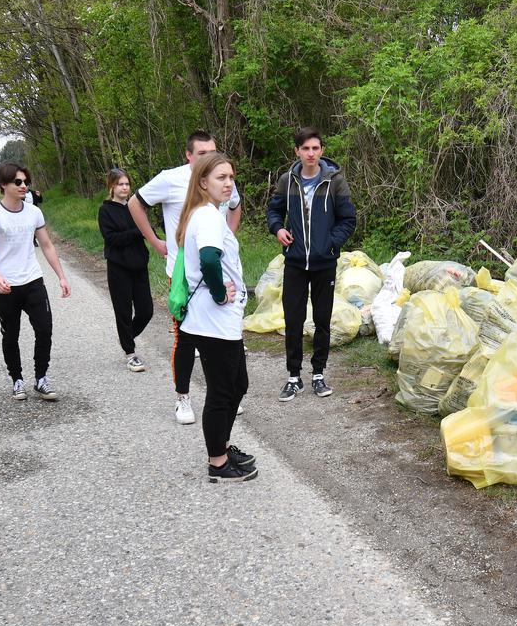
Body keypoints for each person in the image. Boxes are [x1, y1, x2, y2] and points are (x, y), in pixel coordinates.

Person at [130, 131, 242, 424]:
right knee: (186, 339)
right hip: (183, 276)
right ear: (189, 155)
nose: (209, 157)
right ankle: (183, 399)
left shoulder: (221, 179)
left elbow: (234, 206)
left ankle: (220, 392)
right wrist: (156, 242)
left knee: (215, 341)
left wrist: (226, 239)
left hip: (215, 275)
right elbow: (134, 203)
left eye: (213, 151)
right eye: (202, 153)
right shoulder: (170, 179)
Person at [175, 151, 257, 482]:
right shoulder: (207, 216)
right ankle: (218, 462)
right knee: (223, 391)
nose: (228, 183)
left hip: (218, 322)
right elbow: (209, 260)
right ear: (203, 181)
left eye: (231, 177)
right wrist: (221, 293)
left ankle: (221, 444)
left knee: (237, 384)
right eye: (221, 177)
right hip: (212, 321)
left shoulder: (206, 212)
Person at [267, 127, 358, 402]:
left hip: (324, 263)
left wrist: (331, 243)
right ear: (297, 151)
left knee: (322, 320)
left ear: (322, 151)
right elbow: (274, 210)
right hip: (295, 262)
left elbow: (348, 219)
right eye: (305, 148)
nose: (310, 153)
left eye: (315, 148)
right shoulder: (287, 181)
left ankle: (318, 374)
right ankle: (294, 377)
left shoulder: (335, 182)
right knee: (293, 321)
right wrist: (277, 229)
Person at [0, 162, 71, 401]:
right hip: (6, 286)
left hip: (33, 280)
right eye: (18, 182)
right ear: (3, 185)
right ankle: (17, 380)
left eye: (26, 182)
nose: (24, 186)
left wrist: (61, 276)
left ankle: (41, 378)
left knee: (45, 329)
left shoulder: (34, 212)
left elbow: (47, 245)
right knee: (11, 334)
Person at [97, 168, 153, 372]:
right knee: (123, 310)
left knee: (146, 310)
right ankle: (130, 353)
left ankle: (125, 336)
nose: (125, 188)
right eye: (121, 184)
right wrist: (137, 232)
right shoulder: (105, 211)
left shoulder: (135, 208)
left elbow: (149, 231)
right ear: (112, 186)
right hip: (118, 266)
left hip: (139, 265)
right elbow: (111, 239)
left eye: (127, 184)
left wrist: (144, 233)